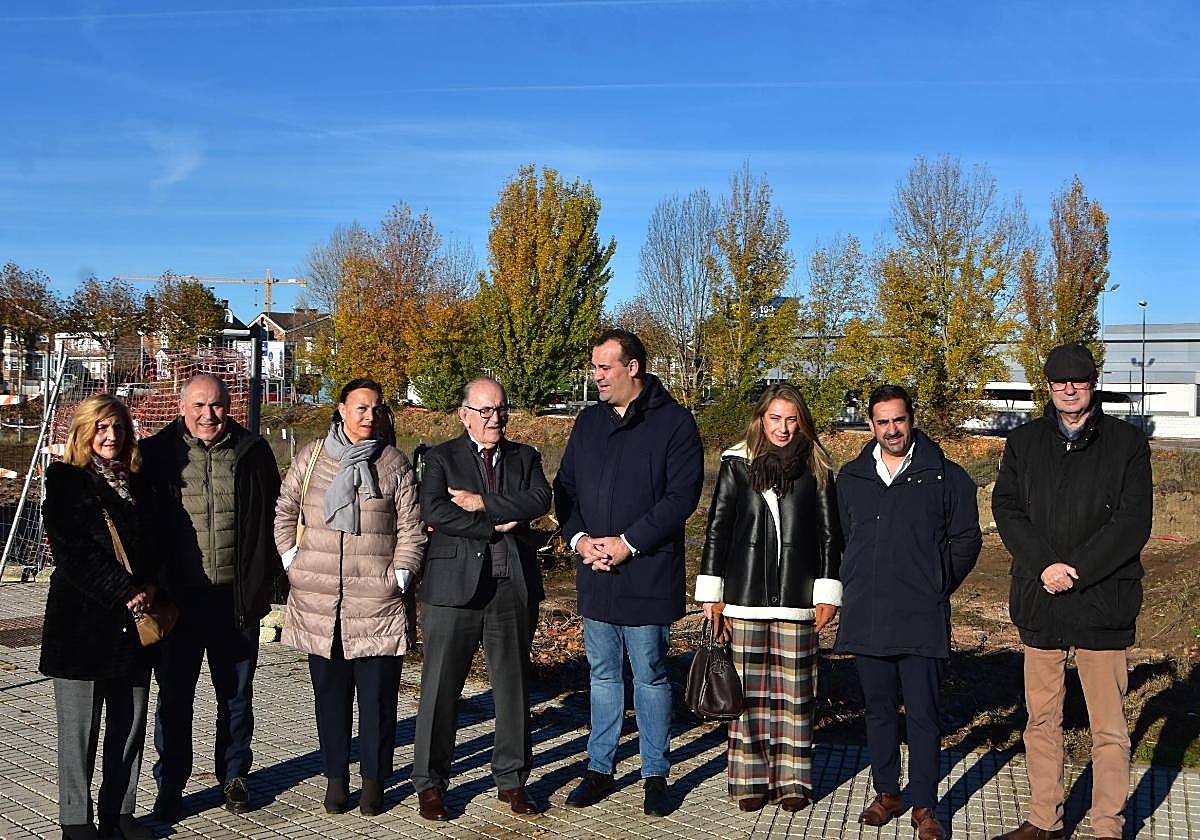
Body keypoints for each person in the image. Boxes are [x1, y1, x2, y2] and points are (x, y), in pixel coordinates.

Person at [990, 343, 1152, 840]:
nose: (1068, 388)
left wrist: (1075, 569)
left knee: (1108, 728)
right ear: (1048, 385)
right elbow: (1007, 509)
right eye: (1058, 381)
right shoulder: (1023, 443)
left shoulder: (1127, 444)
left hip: (1102, 603)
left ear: (1092, 382)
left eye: (1077, 380)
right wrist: (1044, 565)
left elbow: (1132, 523)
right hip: (1041, 601)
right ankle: (1044, 819)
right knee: (1042, 721)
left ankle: (1106, 825)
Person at [554, 329, 704, 817]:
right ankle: (599, 768)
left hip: (648, 574)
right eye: (594, 367)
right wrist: (580, 541)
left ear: (632, 367)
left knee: (651, 676)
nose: (595, 376)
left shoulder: (675, 424)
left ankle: (655, 774)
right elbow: (566, 490)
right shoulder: (587, 423)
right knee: (601, 674)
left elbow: (681, 498)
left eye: (604, 367)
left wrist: (629, 544)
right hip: (596, 570)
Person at [834, 384, 981, 840]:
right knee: (878, 711)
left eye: (898, 420)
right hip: (867, 615)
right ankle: (887, 793)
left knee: (922, 714)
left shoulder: (945, 476)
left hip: (922, 616)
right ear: (871, 425)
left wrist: (937, 582)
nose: (891, 429)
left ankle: (924, 806)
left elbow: (967, 540)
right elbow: (841, 540)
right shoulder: (851, 478)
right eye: (882, 422)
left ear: (911, 420)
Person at [275, 378, 426, 817]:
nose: (369, 416)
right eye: (361, 408)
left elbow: (411, 529)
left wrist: (398, 576)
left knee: (379, 699)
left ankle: (375, 780)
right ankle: (336, 778)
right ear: (341, 409)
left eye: (377, 409)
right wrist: (292, 561)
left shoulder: (393, 463)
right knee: (330, 697)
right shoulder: (312, 458)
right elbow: (285, 509)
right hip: (320, 599)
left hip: (375, 600)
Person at [140, 373, 282, 820]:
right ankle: (171, 783)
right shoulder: (157, 455)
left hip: (234, 600)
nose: (208, 415)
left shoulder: (253, 452)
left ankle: (235, 774)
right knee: (175, 697)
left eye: (217, 405)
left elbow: (272, 520)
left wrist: (267, 587)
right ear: (182, 407)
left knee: (236, 695)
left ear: (229, 406)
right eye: (199, 406)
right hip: (178, 601)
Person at [694, 384, 842, 813]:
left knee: (795, 697)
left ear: (802, 422)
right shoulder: (736, 463)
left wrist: (827, 591)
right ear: (761, 419)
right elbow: (718, 528)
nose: (783, 427)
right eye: (775, 418)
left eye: (791, 419)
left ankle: (793, 781)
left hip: (798, 598)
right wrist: (712, 594)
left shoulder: (817, 465)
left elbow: (831, 535)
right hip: (744, 597)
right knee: (750, 697)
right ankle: (751, 780)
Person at [411, 377, 552, 821]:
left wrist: (482, 502)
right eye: (486, 411)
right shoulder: (440, 458)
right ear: (464, 413)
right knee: (439, 689)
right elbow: (433, 509)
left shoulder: (525, 457)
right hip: (452, 588)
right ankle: (430, 783)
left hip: (510, 586)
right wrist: (491, 524)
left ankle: (512, 781)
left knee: (512, 689)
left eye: (501, 410)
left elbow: (539, 500)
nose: (496, 419)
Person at [40, 395, 157, 840]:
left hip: (135, 626)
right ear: (84, 432)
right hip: (82, 627)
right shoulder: (66, 481)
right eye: (102, 428)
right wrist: (122, 590)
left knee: (129, 726)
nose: (111, 437)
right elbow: (73, 553)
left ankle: (120, 812)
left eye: (118, 428)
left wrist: (151, 586)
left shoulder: (140, 482)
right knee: (79, 734)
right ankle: (75, 819)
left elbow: (160, 543)